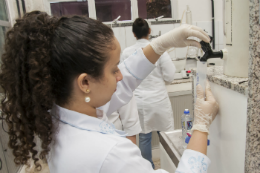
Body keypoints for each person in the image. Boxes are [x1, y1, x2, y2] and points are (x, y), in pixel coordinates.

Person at [0, 11, 218, 173]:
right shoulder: (110, 154)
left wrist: (162, 44)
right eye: (114, 69)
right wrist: (201, 125)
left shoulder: (62, 114)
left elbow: (126, 77)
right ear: (85, 82)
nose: (120, 75)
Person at [121, 18, 175, 168]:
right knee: (166, 137)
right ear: (149, 31)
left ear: (133, 33)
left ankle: (148, 169)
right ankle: (168, 168)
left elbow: (123, 78)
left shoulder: (126, 53)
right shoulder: (159, 50)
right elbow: (170, 75)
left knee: (144, 137)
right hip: (159, 100)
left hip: (140, 102)